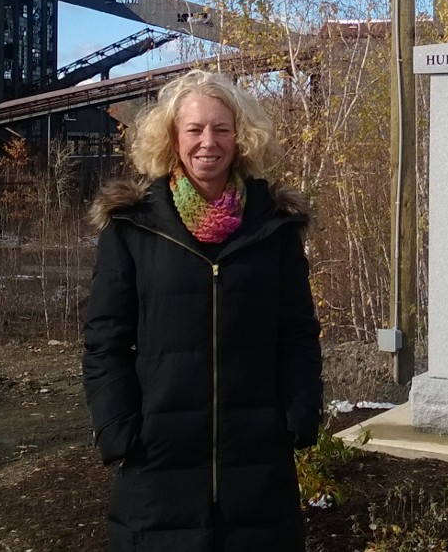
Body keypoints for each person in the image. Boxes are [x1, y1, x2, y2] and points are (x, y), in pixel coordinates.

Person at [82, 69, 323, 551]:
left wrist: (299, 413)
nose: (207, 142)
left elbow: (297, 332)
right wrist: (118, 430)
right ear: (172, 138)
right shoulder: (133, 226)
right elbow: (105, 342)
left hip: (256, 461)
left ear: (241, 138)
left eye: (221, 129)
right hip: (156, 458)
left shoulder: (274, 226)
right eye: (193, 129)